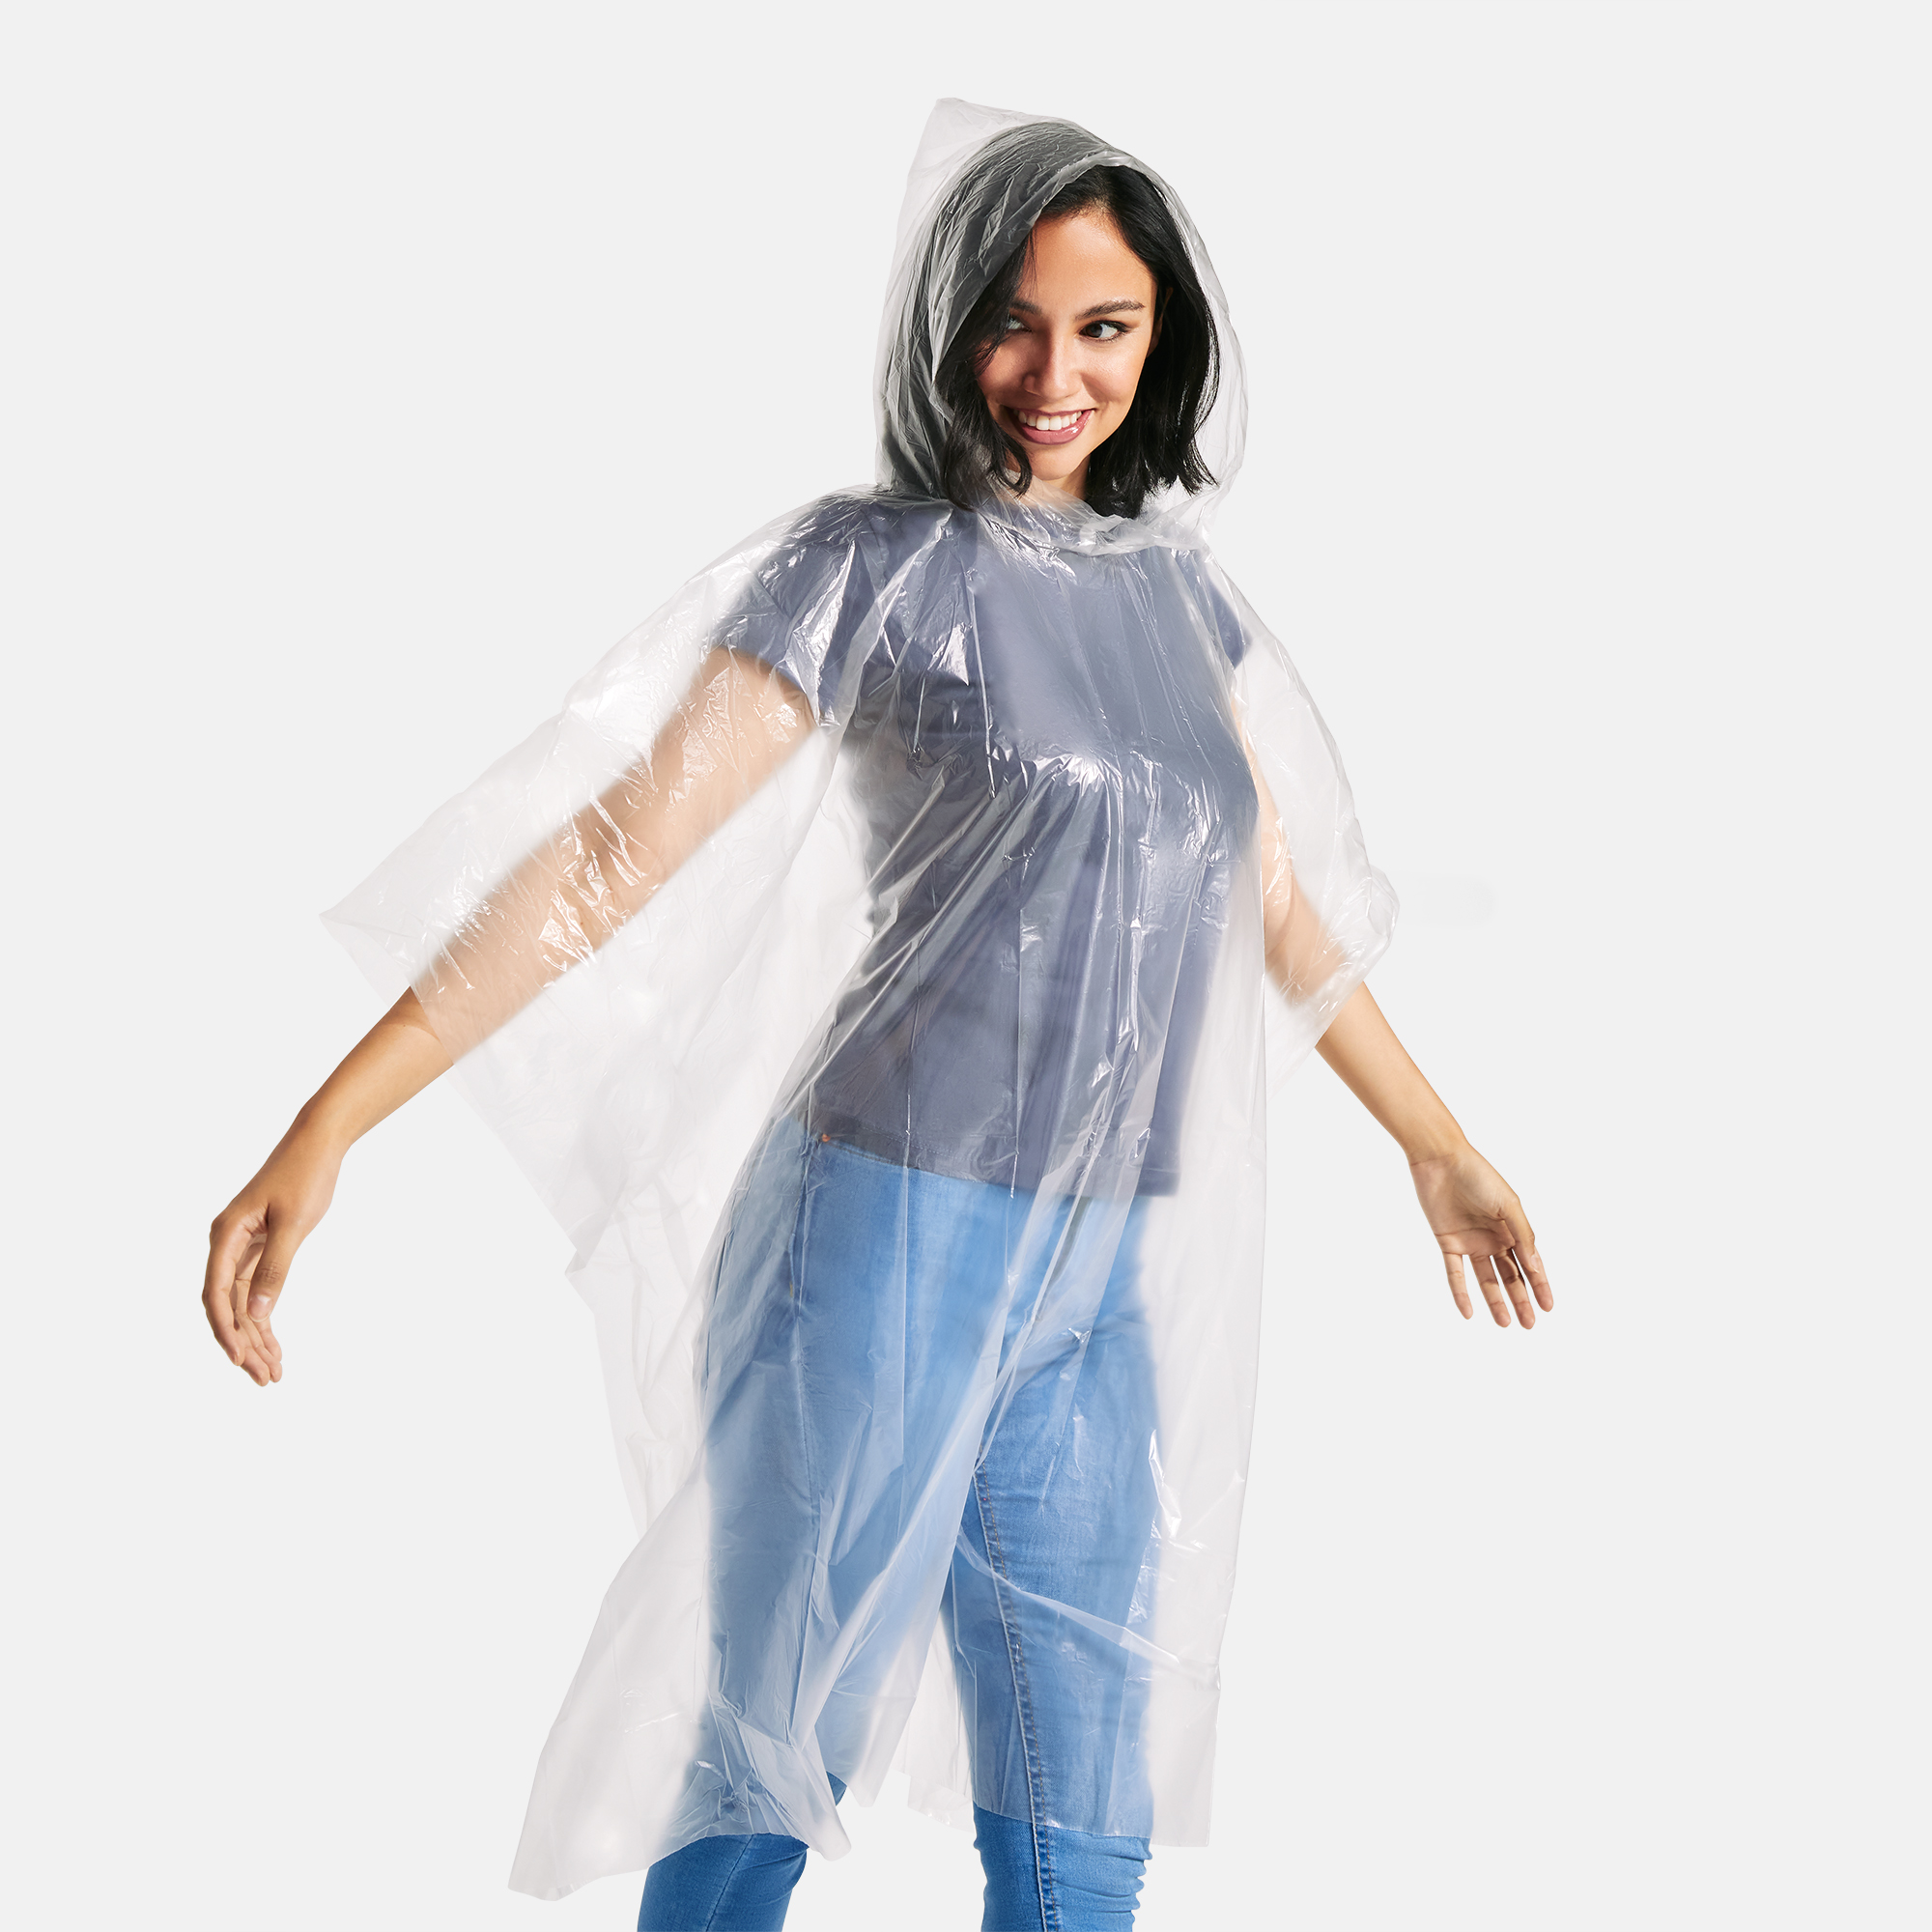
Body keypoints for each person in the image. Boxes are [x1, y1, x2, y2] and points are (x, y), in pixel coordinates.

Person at [202, 101, 1552, 1932]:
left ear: (1160, 339)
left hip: (1105, 1275)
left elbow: (1279, 913)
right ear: (947, 325)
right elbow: (614, 854)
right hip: (888, 1235)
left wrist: (1437, 1147)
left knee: (1083, 1826)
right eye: (1013, 321)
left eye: (1103, 327)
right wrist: (329, 1124)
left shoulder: (1184, 608)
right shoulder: (874, 566)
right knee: (778, 1767)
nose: (1054, 376)